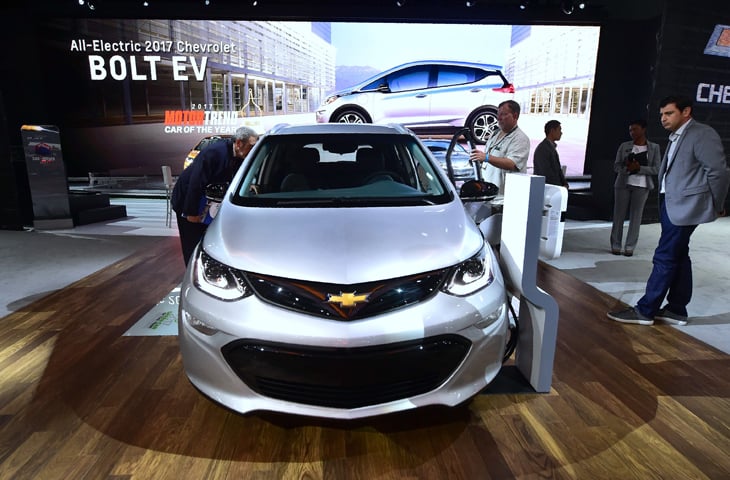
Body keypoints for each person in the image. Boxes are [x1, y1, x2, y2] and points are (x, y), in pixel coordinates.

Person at [608, 95, 729, 326]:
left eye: (669, 113)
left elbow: (718, 172)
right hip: (671, 202)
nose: (663, 118)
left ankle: (646, 310)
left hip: (686, 206)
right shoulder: (676, 136)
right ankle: (676, 309)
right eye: (662, 114)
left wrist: (717, 202)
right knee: (679, 254)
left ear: (686, 112)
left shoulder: (702, 134)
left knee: (664, 255)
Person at [172, 125, 259, 266]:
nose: (252, 151)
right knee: (192, 243)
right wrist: (191, 212)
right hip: (188, 200)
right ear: (238, 143)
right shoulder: (214, 153)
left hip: (208, 203)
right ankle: (192, 271)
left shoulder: (239, 156)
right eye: (250, 147)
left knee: (207, 241)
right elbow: (196, 183)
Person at [609, 119, 661, 256]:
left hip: (642, 186)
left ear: (643, 129)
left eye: (635, 129)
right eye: (630, 130)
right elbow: (616, 166)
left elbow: (657, 169)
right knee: (618, 216)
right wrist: (627, 168)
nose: (632, 132)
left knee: (636, 217)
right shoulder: (624, 146)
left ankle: (630, 246)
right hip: (623, 185)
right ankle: (616, 244)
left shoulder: (654, 148)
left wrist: (639, 168)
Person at [469, 100, 531, 195]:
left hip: (503, 195)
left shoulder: (520, 138)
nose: (498, 118)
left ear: (515, 116)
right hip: (487, 190)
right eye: (498, 114)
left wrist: (486, 157)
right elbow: (490, 156)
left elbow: (512, 163)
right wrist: (479, 158)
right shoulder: (495, 133)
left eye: (503, 114)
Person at [533, 119, 568, 188]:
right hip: (548, 189)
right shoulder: (543, 149)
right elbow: (546, 173)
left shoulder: (550, 147)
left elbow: (558, 170)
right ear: (552, 131)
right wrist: (560, 187)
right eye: (559, 130)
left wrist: (565, 184)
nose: (561, 133)